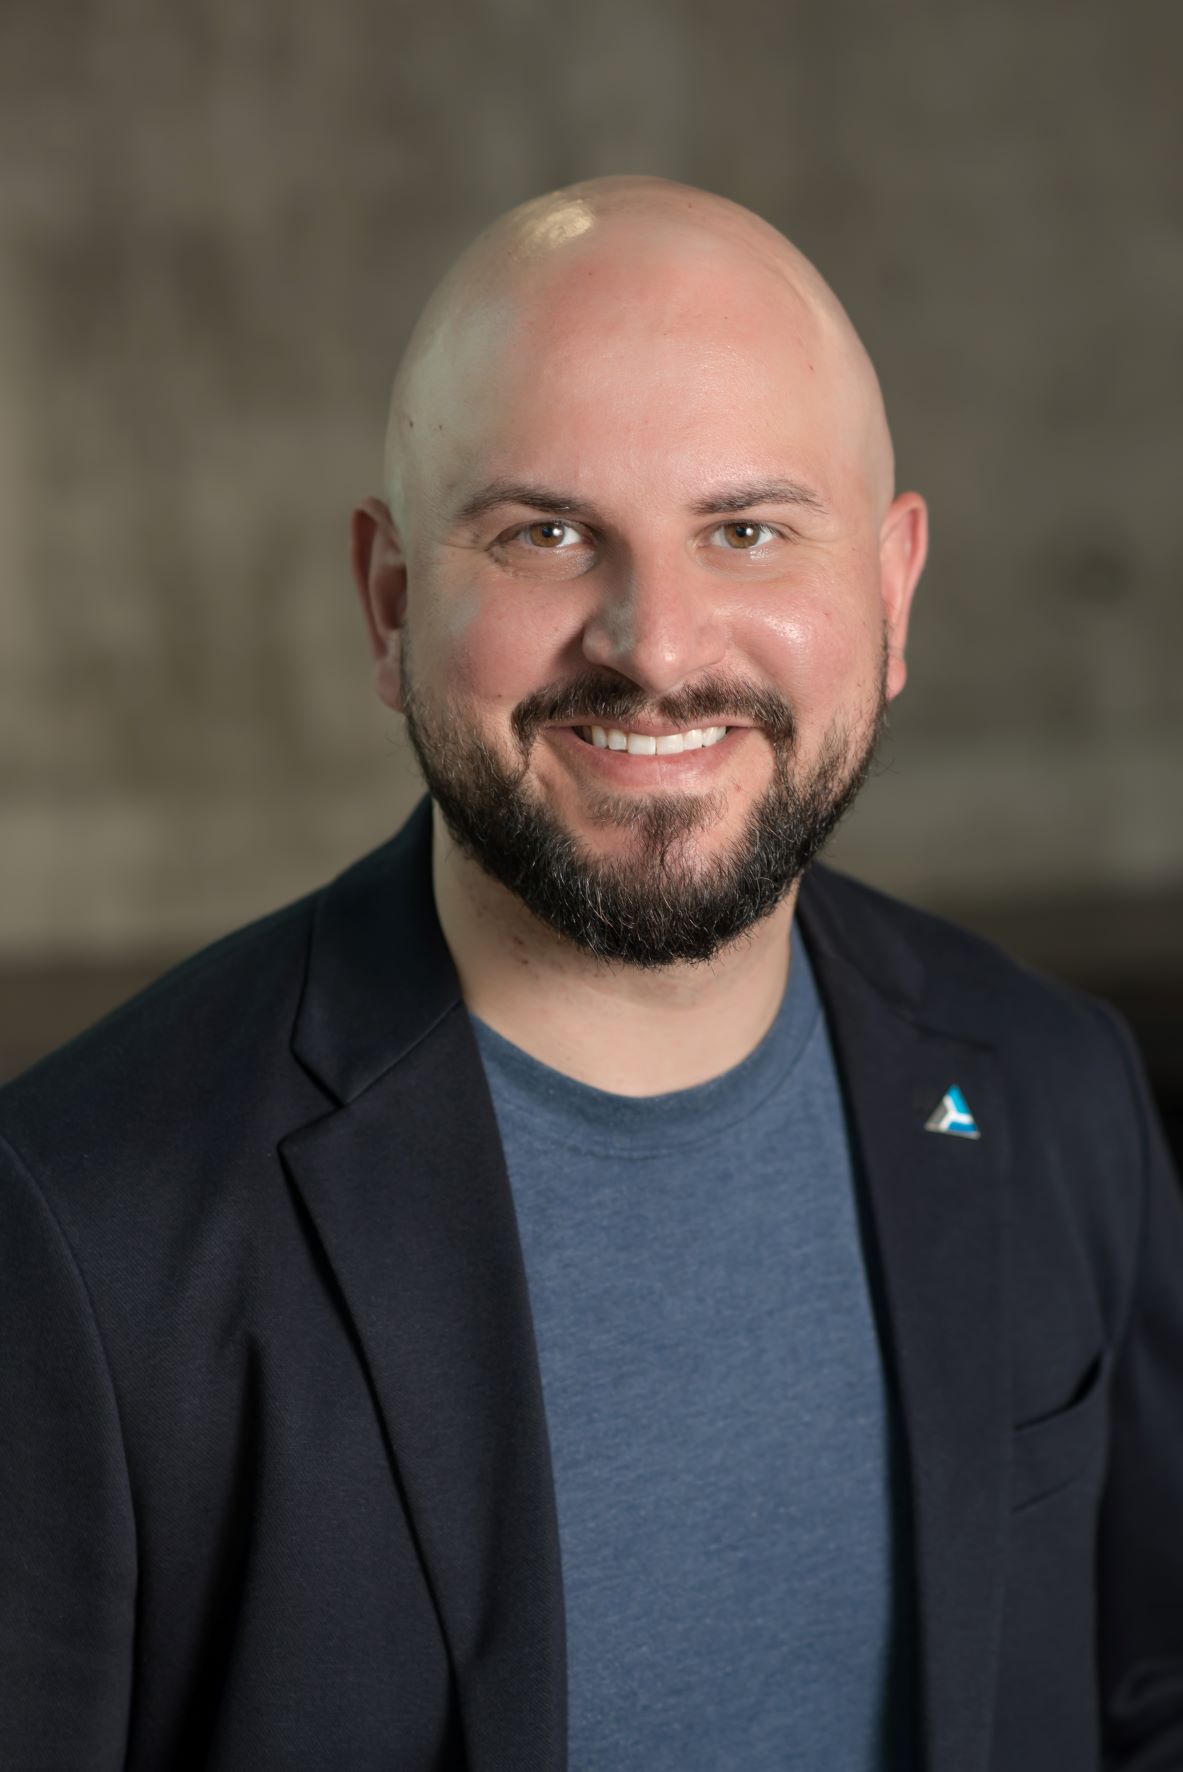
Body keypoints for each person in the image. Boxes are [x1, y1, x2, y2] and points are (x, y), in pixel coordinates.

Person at [1, 176, 1180, 1772]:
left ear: (891, 592)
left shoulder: (1053, 1091)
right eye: (546, 534)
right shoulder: (81, 1226)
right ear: (391, 603)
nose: (657, 646)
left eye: (747, 531)